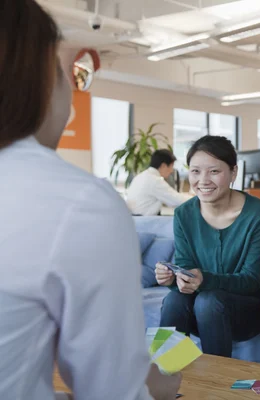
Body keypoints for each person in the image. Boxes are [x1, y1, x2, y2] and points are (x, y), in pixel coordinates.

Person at [0, 2, 181, 399]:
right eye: (60, 67)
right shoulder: (77, 203)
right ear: (35, 81)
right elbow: (114, 392)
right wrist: (157, 389)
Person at [156, 135, 260, 358]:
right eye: (195, 171)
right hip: (201, 308)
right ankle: (166, 376)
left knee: (208, 301)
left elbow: (250, 279)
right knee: (174, 299)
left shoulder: (257, 213)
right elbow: (186, 268)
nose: (203, 180)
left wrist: (205, 280)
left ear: (233, 173)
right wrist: (174, 279)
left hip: (244, 311)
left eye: (214, 171)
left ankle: (215, 385)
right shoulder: (183, 214)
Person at [127, 149, 191, 216]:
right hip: (145, 221)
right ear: (163, 166)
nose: (172, 171)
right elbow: (177, 201)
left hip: (136, 219)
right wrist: (196, 198)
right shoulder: (155, 181)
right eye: (171, 166)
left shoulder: (141, 176)